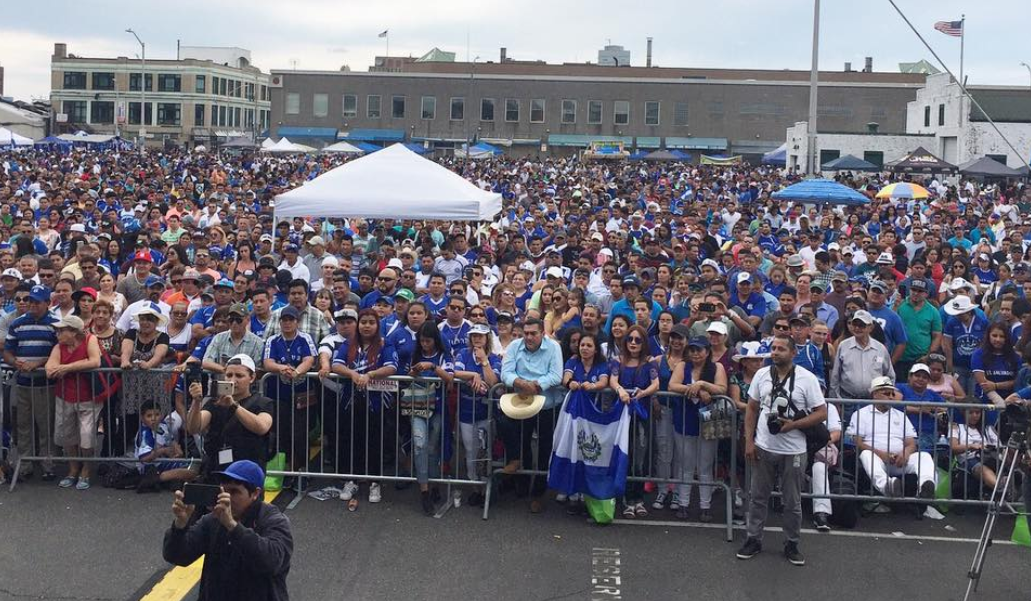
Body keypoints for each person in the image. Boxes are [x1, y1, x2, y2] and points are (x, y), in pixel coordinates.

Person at [738, 333, 827, 566]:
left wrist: (794, 425)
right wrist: (749, 441)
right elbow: (751, 409)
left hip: (794, 449)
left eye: (781, 349)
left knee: (792, 501)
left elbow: (821, 412)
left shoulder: (807, 379)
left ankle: (792, 543)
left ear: (793, 353)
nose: (775, 352)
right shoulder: (761, 374)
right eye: (773, 348)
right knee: (758, 496)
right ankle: (753, 539)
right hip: (764, 446)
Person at [164, 459, 293, 601]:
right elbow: (178, 556)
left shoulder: (273, 520)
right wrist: (180, 526)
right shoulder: (212, 520)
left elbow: (271, 562)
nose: (228, 498)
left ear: (255, 493)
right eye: (224, 490)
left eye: (235, 492)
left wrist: (232, 526)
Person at [499, 318, 564, 514]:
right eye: (526, 333)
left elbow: (556, 375)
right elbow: (505, 373)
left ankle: (538, 494)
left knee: (545, 449)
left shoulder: (553, 347)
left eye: (533, 333)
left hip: (547, 405)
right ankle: (522, 484)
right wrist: (520, 382)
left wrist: (535, 384)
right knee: (522, 443)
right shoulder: (514, 346)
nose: (528, 337)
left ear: (542, 334)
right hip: (520, 403)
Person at [847, 376, 937, 500]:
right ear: (875, 394)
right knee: (867, 455)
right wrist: (881, 454)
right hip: (877, 459)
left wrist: (905, 453)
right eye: (886, 393)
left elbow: (911, 443)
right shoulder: (861, 414)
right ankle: (887, 486)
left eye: (892, 394)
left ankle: (925, 487)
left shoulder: (900, 415)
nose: (891, 397)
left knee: (924, 456)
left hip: (899, 460)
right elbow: (857, 442)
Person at [186, 354, 275, 479]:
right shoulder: (215, 402)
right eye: (229, 375)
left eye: (239, 376)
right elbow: (194, 427)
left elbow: (261, 427)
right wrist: (196, 401)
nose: (233, 380)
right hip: (217, 467)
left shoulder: (263, 403)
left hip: (247, 468)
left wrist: (234, 405)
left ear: (252, 377)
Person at [668, 336, 728, 522]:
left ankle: (705, 506)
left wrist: (702, 385)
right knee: (685, 464)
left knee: (705, 465)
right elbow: (672, 385)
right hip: (685, 420)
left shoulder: (717, 367)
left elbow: (722, 388)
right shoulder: (682, 366)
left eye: (699, 349)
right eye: (692, 349)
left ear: (707, 351)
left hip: (708, 422)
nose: (695, 353)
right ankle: (683, 503)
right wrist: (692, 388)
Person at [5, 285, 58, 480]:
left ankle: (48, 464)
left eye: (37, 302)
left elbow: (57, 352)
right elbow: (8, 351)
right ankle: (25, 464)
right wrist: (15, 362)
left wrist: (38, 363)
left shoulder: (55, 323)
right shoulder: (17, 323)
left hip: (45, 383)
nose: (32, 305)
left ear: (47, 303)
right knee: (23, 425)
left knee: (46, 425)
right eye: (30, 301)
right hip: (22, 382)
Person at [45, 314, 101, 490]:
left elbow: (95, 361)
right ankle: (73, 469)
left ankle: (86, 470)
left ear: (74, 332)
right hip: (64, 396)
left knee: (86, 436)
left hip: (89, 397)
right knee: (67, 436)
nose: (58, 333)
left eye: (62, 330)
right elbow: (50, 369)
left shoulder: (90, 339)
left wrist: (66, 368)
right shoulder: (58, 347)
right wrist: (60, 368)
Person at [453, 323, 502, 507]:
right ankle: (475, 487)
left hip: (486, 413)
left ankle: (486, 486)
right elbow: (455, 372)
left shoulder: (495, 359)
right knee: (470, 450)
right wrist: (474, 374)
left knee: (486, 451)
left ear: (488, 338)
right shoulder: (463, 354)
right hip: (466, 413)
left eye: (480, 336)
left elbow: (493, 382)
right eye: (474, 335)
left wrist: (484, 362)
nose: (477, 339)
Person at [830, 310, 895, 401]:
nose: (857, 328)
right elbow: (835, 376)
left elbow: (890, 376)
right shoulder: (843, 346)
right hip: (847, 400)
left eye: (862, 325)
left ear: (871, 327)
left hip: (873, 401)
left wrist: (885, 397)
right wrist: (837, 399)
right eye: (854, 324)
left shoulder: (881, 349)